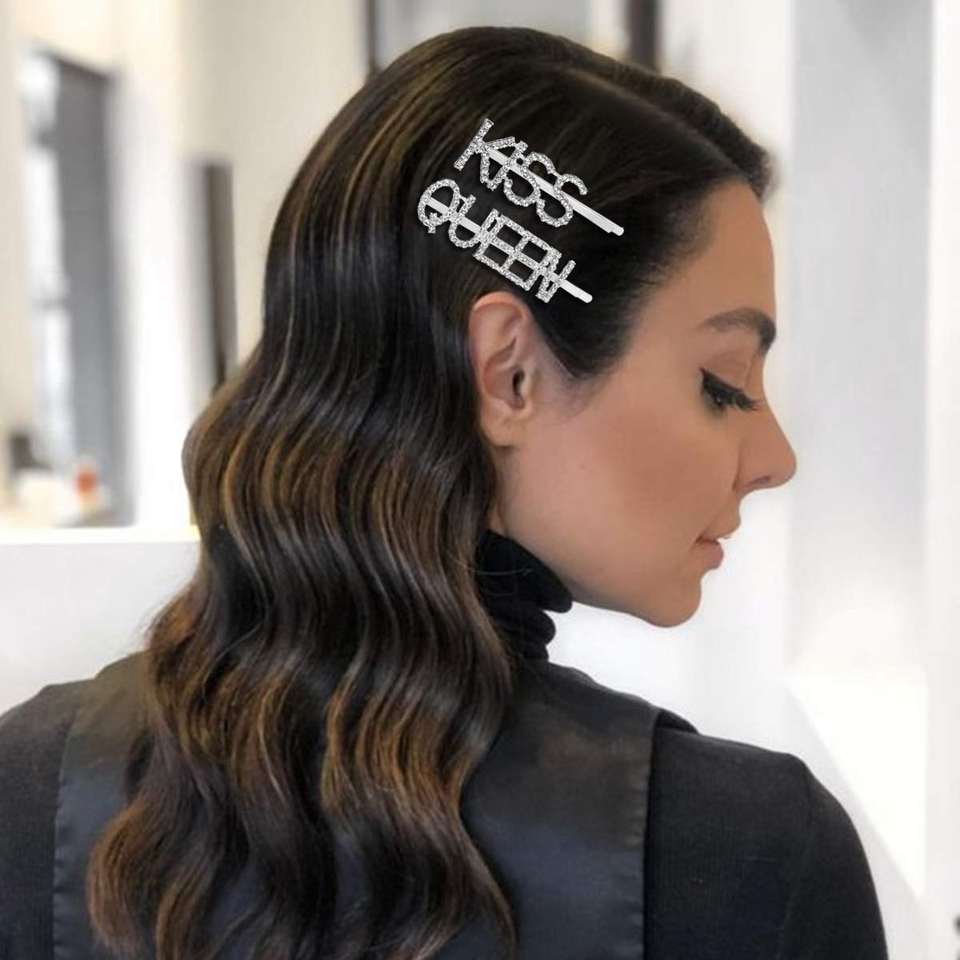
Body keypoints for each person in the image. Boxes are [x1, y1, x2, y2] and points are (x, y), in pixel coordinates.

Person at [0, 24, 889, 960]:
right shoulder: (754, 861)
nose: (775, 457)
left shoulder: (26, 793)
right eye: (724, 383)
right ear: (509, 372)